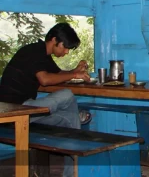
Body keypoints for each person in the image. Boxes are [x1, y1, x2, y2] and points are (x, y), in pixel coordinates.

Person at [0, 22, 91, 177]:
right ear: (54, 40)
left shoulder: (44, 56)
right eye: (65, 47)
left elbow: (60, 75)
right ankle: (78, 115)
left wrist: (75, 70)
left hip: (27, 110)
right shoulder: (34, 51)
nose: (66, 52)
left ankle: (70, 174)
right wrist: (75, 75)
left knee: (70, 118)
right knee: (67, 94)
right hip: (13, 111)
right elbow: (45, 80)